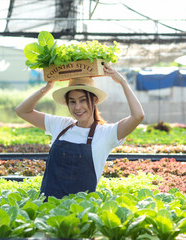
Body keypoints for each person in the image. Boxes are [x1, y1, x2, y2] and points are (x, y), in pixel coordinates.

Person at [15, 63, 144, 200]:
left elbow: (138, 116)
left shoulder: (106, 133)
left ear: (94, 100)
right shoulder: (60, 125)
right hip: (48, 209)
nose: (77, 107)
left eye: (83, 100)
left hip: (82, 211)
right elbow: (22, 111)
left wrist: (123, 82)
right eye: (72, 102)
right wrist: (47, 88)